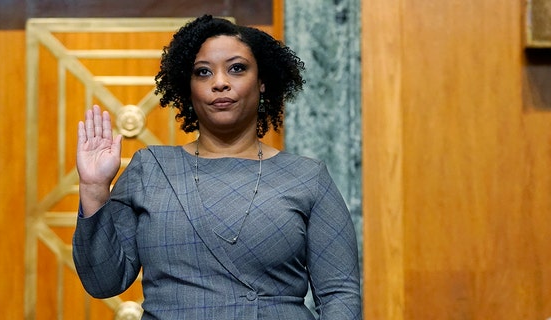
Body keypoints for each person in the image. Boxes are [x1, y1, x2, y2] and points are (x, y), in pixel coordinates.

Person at [72, 14, 361, 319]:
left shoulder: (307, 177)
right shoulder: (151, 168)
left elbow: (339, 294)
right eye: (203, 72)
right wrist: (94, 189)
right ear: (189, 87)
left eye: (237, 69)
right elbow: (103, 282)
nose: (220, 82)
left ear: (262, 82)